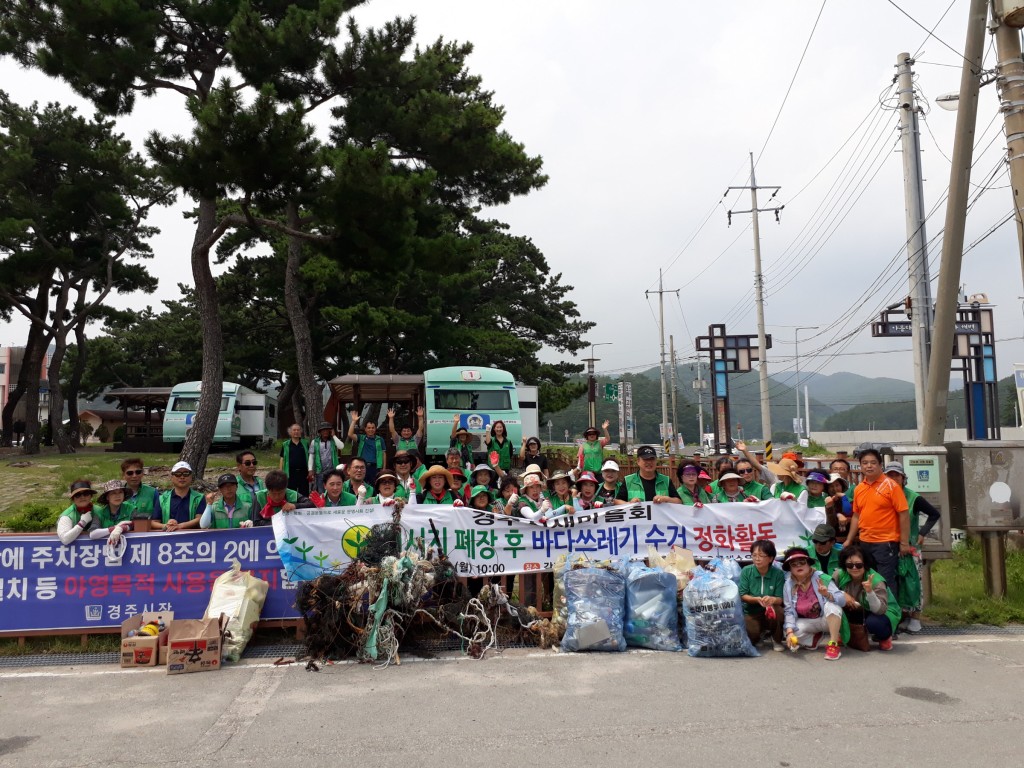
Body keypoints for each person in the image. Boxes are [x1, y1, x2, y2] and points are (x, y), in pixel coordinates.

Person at [844, 448, 910, 600]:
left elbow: (904, 514)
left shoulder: (891, 486)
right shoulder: (859, 488)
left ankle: (890, 617)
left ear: (881, 465)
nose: (869, 466)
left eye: (873, 463)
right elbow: (856, 515)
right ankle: (873, 614)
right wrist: (849, 539)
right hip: (865, 542)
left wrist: (904, 542)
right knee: (869, 580)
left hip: (885, 543)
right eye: (865, 463)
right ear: (860, 466)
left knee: (885, 581)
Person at [885, 461, 941, 633]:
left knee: (914, 582)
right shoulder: (884, 496)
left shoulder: (913, 497)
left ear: (903, 478)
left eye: (896, 475)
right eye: (890, 475)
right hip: (891, 546)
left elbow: (934, 514)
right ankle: (904, 616)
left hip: (910, 547)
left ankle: (916, 617)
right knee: (899, 583)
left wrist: (922, 533)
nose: (893, 478)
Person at [781, 546, 846, 660]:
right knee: (790, 632)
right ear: (790, 568)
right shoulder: (788, 585)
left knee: (832, 606)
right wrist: (790, 632)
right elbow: (788, 611)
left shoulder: (822, 577)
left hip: (827, 620)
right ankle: (814, 639)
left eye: (802, 562)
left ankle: (833, 644)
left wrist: (827, 594)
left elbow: (842, 600)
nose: (799, 566)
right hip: (809, 622)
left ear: (808, 563)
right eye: (793, 564)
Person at [833, 543, 899, 652]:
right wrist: (842, 593)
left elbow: (879, 610)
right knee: (833, 607)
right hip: (857, 608)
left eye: (858, 565)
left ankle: (884, 637)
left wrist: (869, 592)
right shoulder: (838, 574)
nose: (854, 568)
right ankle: (844, 633)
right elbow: (830, 594)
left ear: (865, 564)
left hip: (881, 612)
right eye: (850, 565)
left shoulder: (877, 581)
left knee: (874, 623)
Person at [739, 539, 785, 651]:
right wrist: (755, 599)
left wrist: (772, 599)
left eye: (761, 555)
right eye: (754, 555)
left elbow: (781, 599)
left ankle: (777, 639)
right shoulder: (746, 571)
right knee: (751, 635)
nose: (757, 558)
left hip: (771, 609)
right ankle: (759, 636)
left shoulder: (778, 573)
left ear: (770, 558)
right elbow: (743, 595)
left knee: (778, 611)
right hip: (752, 610)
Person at [616, 445, 681, 504]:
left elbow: (679, 501)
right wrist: (630, 503)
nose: (649, 462)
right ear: (638, 461)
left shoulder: (666, 480)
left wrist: (666, 499)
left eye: (652, 459)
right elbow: (617, 501)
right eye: (646, 459)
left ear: (656, 461)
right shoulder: (628, 480)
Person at [151, 461, 205, 531]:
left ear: (191, 477)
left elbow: (200, 518)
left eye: (186, 474)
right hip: (168, 539)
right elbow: (154, 522)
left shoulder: (199, 498)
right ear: (172, 477)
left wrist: (180, 526)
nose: (182, 477)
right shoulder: (162, 498)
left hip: (192, 539)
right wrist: (166, 525)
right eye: (178, 474)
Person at [57, 480, 102, 545]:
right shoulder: (67, 516)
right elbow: (65, 539)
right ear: (73, 498)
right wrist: (82, 523)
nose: (82, 497)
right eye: (78, 495)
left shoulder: (99, 511)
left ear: (91, 496)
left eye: (86, 493)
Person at [348, 410, 386, 485]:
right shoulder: (361, 438)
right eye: (369, 428)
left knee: (375, 486)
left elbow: (383, 453)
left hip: (375, 467)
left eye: (373, 428)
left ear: (375, 429)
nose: (371, 430)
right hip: (362, 467)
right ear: (365, 429)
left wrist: (384, 468)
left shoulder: (380, 439)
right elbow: (350, 434)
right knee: (361, 485)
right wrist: (353, 421)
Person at [307, 421, 345, 494]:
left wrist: (334, 436)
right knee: (321, 492)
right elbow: (311, 456)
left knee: (332, 490)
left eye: (327, 430)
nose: (325, 432)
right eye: (323, 430)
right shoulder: (315, 442)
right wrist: (310, 470)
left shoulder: (333, 441)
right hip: (320, 471)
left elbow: (341, 446)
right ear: (320, 432)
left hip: (333, 470)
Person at [279, 423, 310, 495]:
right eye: (294, 430)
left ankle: (304, 506)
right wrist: (281, 471)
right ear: (290, 432)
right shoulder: (285, 444)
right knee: (291, 493)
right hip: (290, 473)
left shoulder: (305, 443)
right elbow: (282, 458)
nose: (296, 432)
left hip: (303, 473)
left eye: (298, 430)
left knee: (304, 493)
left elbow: (309, 457)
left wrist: (310, 470)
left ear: (300, 432)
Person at [235, 450, 265, 518]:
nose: (252, 465)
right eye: (247, 463)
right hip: (243, 524)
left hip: (260, 523)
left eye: (254, 462)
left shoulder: (260, 483)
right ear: (239, 466)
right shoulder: (234, 484)